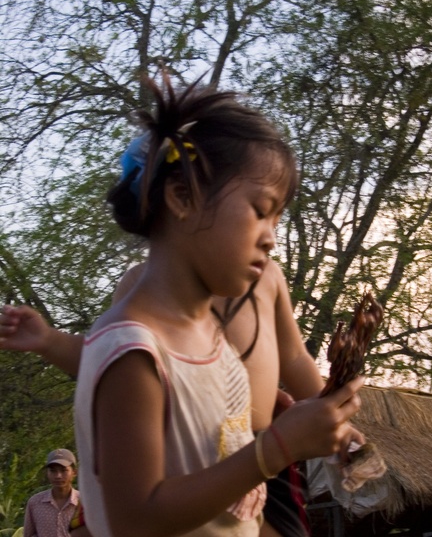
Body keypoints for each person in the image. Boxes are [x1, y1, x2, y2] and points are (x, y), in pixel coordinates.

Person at [0, 72, 364, 537]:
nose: (272, 236)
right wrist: (275, 446)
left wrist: (306, 415)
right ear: (182, 197)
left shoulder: (210, 337)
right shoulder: (132, 348)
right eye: (260, 209)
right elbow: (137, 518)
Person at [23, 448, 79, 537]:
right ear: (47, 473)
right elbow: (28, 535)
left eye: (63, 470)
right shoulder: (35, 502)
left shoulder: (84, 503)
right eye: (53, 471)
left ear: (74, 472)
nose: (58, 476)